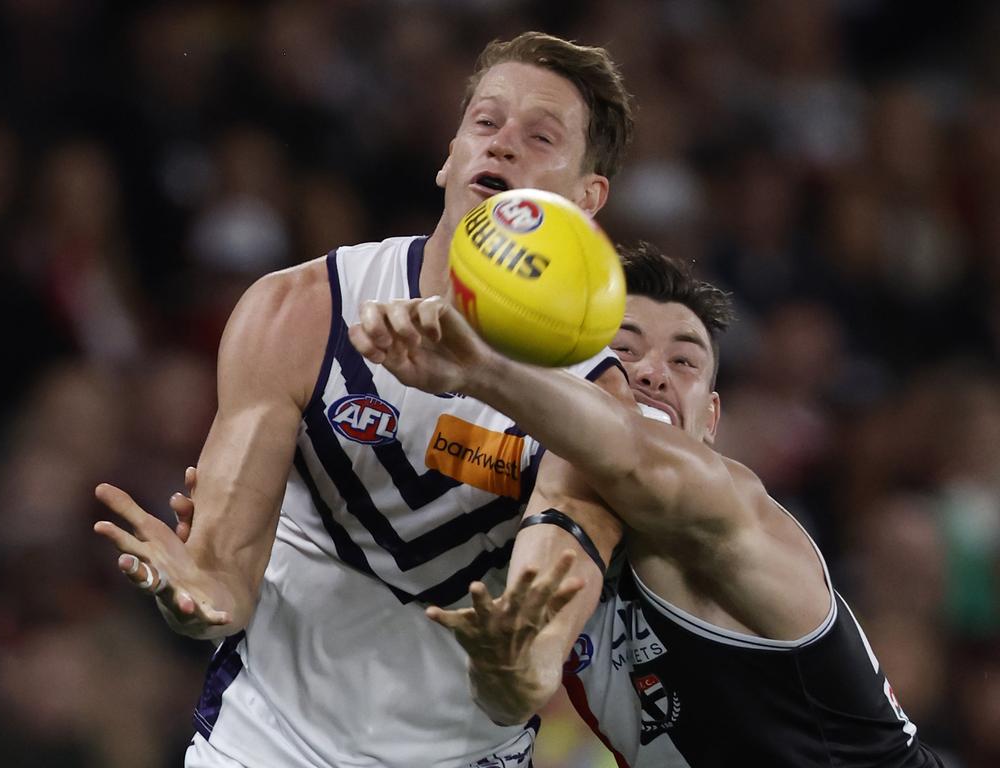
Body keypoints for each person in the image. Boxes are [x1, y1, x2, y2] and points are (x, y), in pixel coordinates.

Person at [92, 32, 634, 768]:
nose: (502, 146)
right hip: (264, 745)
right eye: (485, 122)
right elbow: (223, 587)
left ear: (586, 199)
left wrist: (515, 669)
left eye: (539, 137)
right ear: (450, 156)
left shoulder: (593, 404)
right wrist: (190, 595)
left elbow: (526, 672)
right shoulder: (302, 312)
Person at [347, 242, 947, 767]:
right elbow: (516, 690)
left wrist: (479, 368)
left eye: (684, 361)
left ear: (709, 421)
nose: (653, 373)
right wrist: (502, 672)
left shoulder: (732, 506)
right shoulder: (560, 527)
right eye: (623, 350)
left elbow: (634, 454)